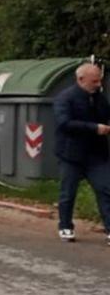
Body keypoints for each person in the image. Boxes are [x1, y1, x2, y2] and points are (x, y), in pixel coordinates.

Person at [53, 63, 110, 243]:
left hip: (96, 154)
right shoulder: (65, 98)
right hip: (71, 153)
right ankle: (65, 226)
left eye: (99, 80)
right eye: (94, 81)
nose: (98, 84)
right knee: (68, 192)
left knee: (106, 189)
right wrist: (94, 128)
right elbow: (65, 123)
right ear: (81, 80)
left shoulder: (100, 97)